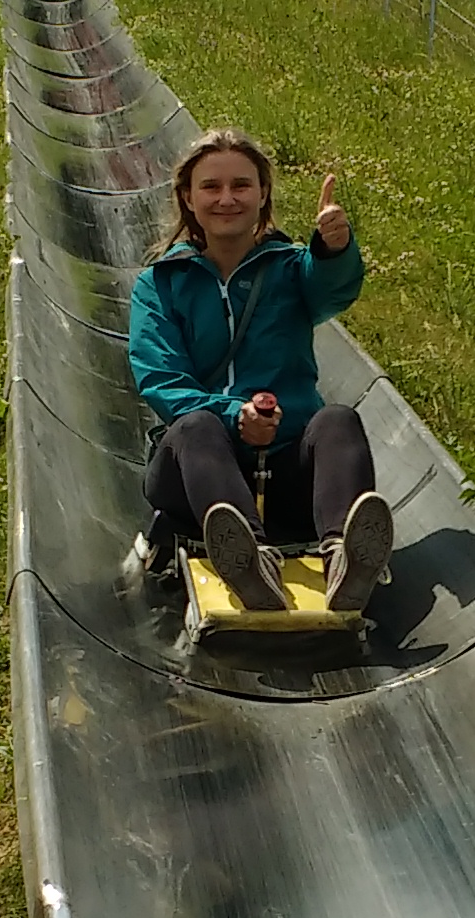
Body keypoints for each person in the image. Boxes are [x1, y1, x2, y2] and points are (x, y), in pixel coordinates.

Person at [128, 127, 395, 614]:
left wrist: (333, 251)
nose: (226, 198)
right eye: (211, 187)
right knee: (195, 425)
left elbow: (331, 290)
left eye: (241, 185)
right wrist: (235, 416)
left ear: (262, 193)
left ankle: (345, 558)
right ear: (188, 197)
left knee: (337, 420)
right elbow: (161, 380)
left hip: (287, 469)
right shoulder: (161, 285)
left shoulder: (291, 269)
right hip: (197, 478)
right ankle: (247, 558)